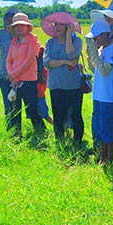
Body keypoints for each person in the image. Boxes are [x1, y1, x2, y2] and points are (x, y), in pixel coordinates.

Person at [43, 13, 84, 146]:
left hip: (73, 85)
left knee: (76, 115)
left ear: (68, 27)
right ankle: (59, 141)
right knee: (58, 115)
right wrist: (66, 62)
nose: (58, 27)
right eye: (56, 24)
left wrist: (68, 37)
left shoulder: (76, 41)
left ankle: (78, 141)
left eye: (62, 24)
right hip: (56, 84)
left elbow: (73, 54)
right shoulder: (50, 42)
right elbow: (47, 62)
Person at [86, 20, 113, 164]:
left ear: (105, 34)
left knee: (109, 128)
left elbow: (105, 70)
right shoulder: (101, 49)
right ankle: (103, 157)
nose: (95, 39)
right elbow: (95, 70)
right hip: (99, 95)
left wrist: (95, 53)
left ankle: (109, 159)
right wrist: (91, 54)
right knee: (101, 127)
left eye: (97, 36)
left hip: (109, 96)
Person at [6, 12, 45, 138]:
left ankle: (40, 132)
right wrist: (14, 77)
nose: (19, 27)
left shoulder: (33, 40)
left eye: (22, 25)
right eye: (16, 25)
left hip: (28, 80)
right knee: (14, 110)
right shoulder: (14, 41)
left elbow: (28, 61)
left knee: (31, 109)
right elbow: (9, 60)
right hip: (15, 81)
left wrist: (13, 75)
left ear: (28, 27)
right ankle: (16, 135)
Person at [0, 6, 21, 118]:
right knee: (7, 104)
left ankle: (18, 130)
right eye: (8, 16)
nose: (10, 18)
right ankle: (10, 129)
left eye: (13, 15)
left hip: (20, 73)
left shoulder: (22, 34)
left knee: (17, 104)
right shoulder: (1, 34)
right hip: (4, 74)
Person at [36, 46, 53, 125]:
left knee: (45, 115)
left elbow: (46, 82)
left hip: (39, 95)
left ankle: (62, 129)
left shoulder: (44, 70)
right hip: (34, 93)